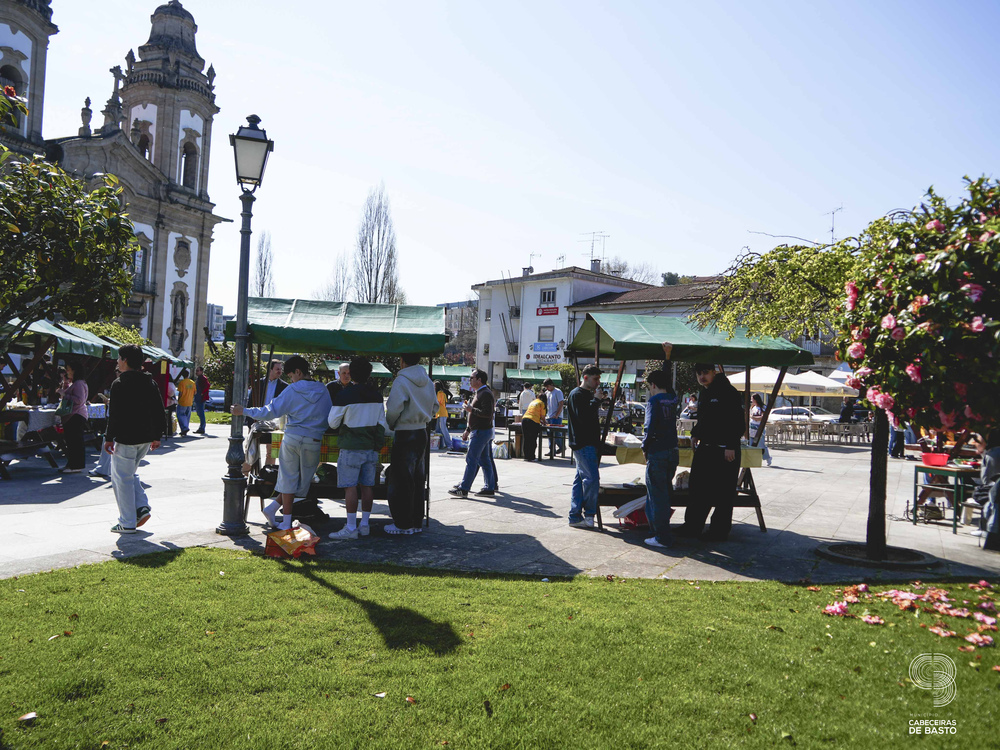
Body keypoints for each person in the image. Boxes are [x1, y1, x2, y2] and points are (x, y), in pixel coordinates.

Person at [232, 356, 332, 530]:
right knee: (303, 482)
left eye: (291, 375)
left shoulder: (292, 390)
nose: (290, 379)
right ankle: (280, 514)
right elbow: (328, 416)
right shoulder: (322, 390)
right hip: (313, 439)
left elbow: (270, 411)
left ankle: (283, 518)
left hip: (292, 437)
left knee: (288, 478)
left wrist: (245, 411)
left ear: (298, 372)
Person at [678, 363, 745, 542]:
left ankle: (719, 531)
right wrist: (695, 435)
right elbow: (704, 418)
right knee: (697, 489)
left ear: (714, 372)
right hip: (706, 447)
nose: (702, 377)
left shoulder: (728, 392)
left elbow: (737, 421)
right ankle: (692, 526)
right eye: (699, 373)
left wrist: (730, 445)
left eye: (705, 373)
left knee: (724, 493)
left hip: (724, 449)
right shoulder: (705, 392)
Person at [324, 357, 390, 539]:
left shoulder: (345, 395)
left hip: (350, 446)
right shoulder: (376, 396)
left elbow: (333, 422)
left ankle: (351, 527)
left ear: (351, 373)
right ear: (369, 374)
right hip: (370, 447)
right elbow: (381, 423)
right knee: (368, 486)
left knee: (350, 487)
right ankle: (365, 525)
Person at [105, 344, 164, 533]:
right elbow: (158, 410)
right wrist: (157, 435)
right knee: (129, 475)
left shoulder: (120, 383)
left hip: (126, 437)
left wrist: (108, 438)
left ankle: (127, 521)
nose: (117, 361)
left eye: (119, 358)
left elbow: (114, 414)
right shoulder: (150, 382)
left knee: (121, 479)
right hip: (145, 438)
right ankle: (141, 507)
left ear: (125, 360)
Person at [385, 353, 439, 535]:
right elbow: (435, 407)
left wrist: (392, 424)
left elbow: (393, 409)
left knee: (401, 480)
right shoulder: (428, 380)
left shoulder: (401, 381)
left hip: (405, 431)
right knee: (418, 478)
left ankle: (402, 523)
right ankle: (416, 521)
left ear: (402, 360)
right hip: (422, 431)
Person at [642, 369, 680, 548]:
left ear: (654, 385)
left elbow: (649, 427)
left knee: (656, 495)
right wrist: (667, 358)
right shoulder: (673, 399)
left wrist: (644, 446)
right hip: (672, 450)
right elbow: (670, 386)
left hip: (657, 450)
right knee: (665, 492)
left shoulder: (653, 401)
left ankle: (660, 536)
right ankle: (659, 532)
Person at [448, 369, 497, 498]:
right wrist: (468, 429)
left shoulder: (485, 393)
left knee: (471, 459)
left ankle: (464, 488)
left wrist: (471, 409)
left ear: (479, 380)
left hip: (481, 432)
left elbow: (487, 414)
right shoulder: (480, 392)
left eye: (471, 378)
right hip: (479, 430)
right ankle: (489, 487)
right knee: (484, 460)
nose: (470, 380)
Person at [566, 365, 602, 528]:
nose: (598, 382)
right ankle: (588, 514)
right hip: (583, 443)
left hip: (586, 442)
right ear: (586, 377)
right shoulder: (577, 394)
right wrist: (596, 401)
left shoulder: (585, 394)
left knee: (581, 480)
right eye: (595, 379)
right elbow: (584, 418)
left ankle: (575, 516)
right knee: (591, 479)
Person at [56, 360, 89, 474]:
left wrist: (65, 394)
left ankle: (76, 465)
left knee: (75, 442)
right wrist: (65, 383)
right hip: (73, 415)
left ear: (74, 370)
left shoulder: (79, 383)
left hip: (76, 414)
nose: (67, 371)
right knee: (71, 442)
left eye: (68, 369)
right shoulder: (76, 382)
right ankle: (71, 464)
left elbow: (79, 400)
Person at [521, 387, 547, 462]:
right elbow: (542, 416)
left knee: (526, 439)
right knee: (532, 439)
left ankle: (526, 456)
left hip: (525, 419)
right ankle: (531, 456)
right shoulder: (542, 403)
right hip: (533, 422)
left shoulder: (533, 402)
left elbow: (533, 413)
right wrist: (545, 422)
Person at [748, 393, 773, 466]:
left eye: (752, 399)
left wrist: (754, 418)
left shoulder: (763, 407)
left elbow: (763, 417)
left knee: (761, 444)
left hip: (759, 427)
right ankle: (752, 459)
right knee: (751, 444)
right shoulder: (753, 407)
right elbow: (750, 415)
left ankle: (767, 457)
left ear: (756, 399)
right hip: (752, 427)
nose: (751, 401)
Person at [544, 378, 565, 455]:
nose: (547, 388)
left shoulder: (558, 392)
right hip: (548, 416)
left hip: (556, 417)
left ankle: (561, 446)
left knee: (556, 433)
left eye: (548, 386)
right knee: (549, 434)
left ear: (551, 385)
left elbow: (561, 403)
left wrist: (557, 415)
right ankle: (552, 450)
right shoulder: (547, 392)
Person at [176, 369, 196, 436]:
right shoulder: (192, 382)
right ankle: (185, 428)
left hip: (183, 401)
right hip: (190, 401)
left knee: (181, 415)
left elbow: (180, 393)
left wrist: (178, 400)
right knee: (187, 416)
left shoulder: (182, 383)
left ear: (182, 375)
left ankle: (184, 428)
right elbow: (195, 392)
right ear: (188, 375)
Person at [434, 381, 453, 450]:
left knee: (443, 429)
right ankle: (440, 444)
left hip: (441, 413)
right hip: (440, 413)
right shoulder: (440, 393)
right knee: (438, 429)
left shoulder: (440, 393)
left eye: (435, 386)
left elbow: (437, 402)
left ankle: (449, 444)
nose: (434, 387)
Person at [193, 366, 210, 434]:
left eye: (198, 371)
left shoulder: (203, 378)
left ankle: (202, 427)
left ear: (201, 371)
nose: (196, 372)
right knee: (199, 412)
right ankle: (202, 427)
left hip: (200, 398)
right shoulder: (199, 378)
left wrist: (203, 393)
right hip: (198, 397)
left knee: (201, 412)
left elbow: (208, 385)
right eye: (196, 370)